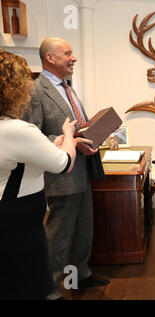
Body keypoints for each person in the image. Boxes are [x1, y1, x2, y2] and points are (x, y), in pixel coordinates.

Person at [22, 37, 109, 300]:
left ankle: (80, 273)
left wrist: (89, 135)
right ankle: (49, 288)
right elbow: (32, 136)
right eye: (68, 53)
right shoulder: (36, 90)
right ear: (50, 58)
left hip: (83, 170)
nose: (74, 58)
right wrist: (69, 142)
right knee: (58, 235)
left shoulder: (67, 88)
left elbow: (74, 126)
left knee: (84, 229)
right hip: (61, 176)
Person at [0, 49, 77, 299]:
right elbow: (63, 163)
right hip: (18, 219)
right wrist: (69, 137)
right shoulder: (18, 129)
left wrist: (54, 143)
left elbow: (23, 156)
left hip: (8, 213)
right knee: (28, 283)